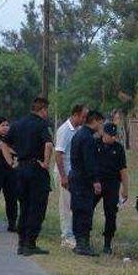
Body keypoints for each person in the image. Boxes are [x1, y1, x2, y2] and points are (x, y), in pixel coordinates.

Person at [9, 97, 54, 256]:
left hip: (21, 168)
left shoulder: (18, 124)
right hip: (36, 168)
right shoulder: (42, 125)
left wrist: (13, 160)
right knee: (37, 207)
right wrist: (46, 163)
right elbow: (48, 144)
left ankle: (21, 243)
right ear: (42, 110)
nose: (47, 114)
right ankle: (30, 243)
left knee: (24, 206)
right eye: (46, 110)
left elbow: (5, 143)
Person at [68, 110, 105, 256]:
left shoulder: (79, 134)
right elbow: (89, 162)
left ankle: (79, 242)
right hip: (83, 181)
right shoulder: (87, 138)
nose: (101, 126)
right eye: (100, 123)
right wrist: (95, 180)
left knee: (78, 211)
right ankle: (83, 244)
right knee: (84, 211)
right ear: (94, 121)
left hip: (76, 178)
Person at [54, 104, 87, 248]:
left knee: (74, 205)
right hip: (65, 173)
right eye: (83, 116)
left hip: (74, 173)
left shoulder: (78, 130)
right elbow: (58, 154)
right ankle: (66, 236)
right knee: (66, 205)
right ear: (76, 115)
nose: (85, 119)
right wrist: (63, 176)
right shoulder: (65, 130)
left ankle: (73, 233)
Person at [94, 122, 129, 255]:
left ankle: (107, 243)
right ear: (104, 133)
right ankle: (83, 237)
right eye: (110, 135)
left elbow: (123, 170)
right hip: (96, 182)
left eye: (114, 135)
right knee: (87, 208)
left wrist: (125, 189)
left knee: (110, 213)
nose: (113, 138)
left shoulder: (118, 148)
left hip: (112, 184)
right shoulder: (95, 144)